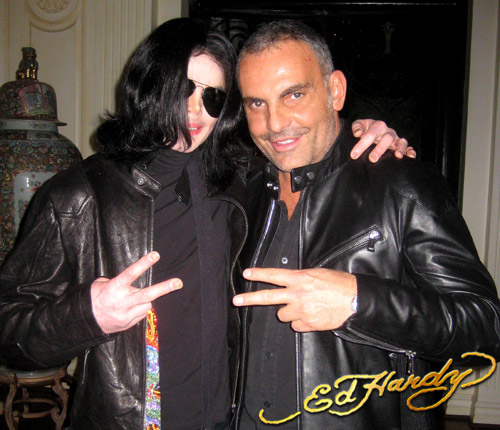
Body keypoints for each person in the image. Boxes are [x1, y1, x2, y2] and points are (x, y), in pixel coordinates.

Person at [0, 18, 411, 430]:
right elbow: (8, 331)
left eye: (212, 96)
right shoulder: (79, 196)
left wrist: (360, 132)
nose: (195, 109)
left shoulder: (234, 179)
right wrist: (89, 316)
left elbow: (307, 143)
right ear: (149, 85)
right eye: (182, 89)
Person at [232, 20, 500, 430]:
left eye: (294, 95)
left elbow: (484, 326)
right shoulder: (242, 196)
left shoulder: (402, 186)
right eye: (256, 103)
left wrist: (360, 302)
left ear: (335, 91)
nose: (275, 123)